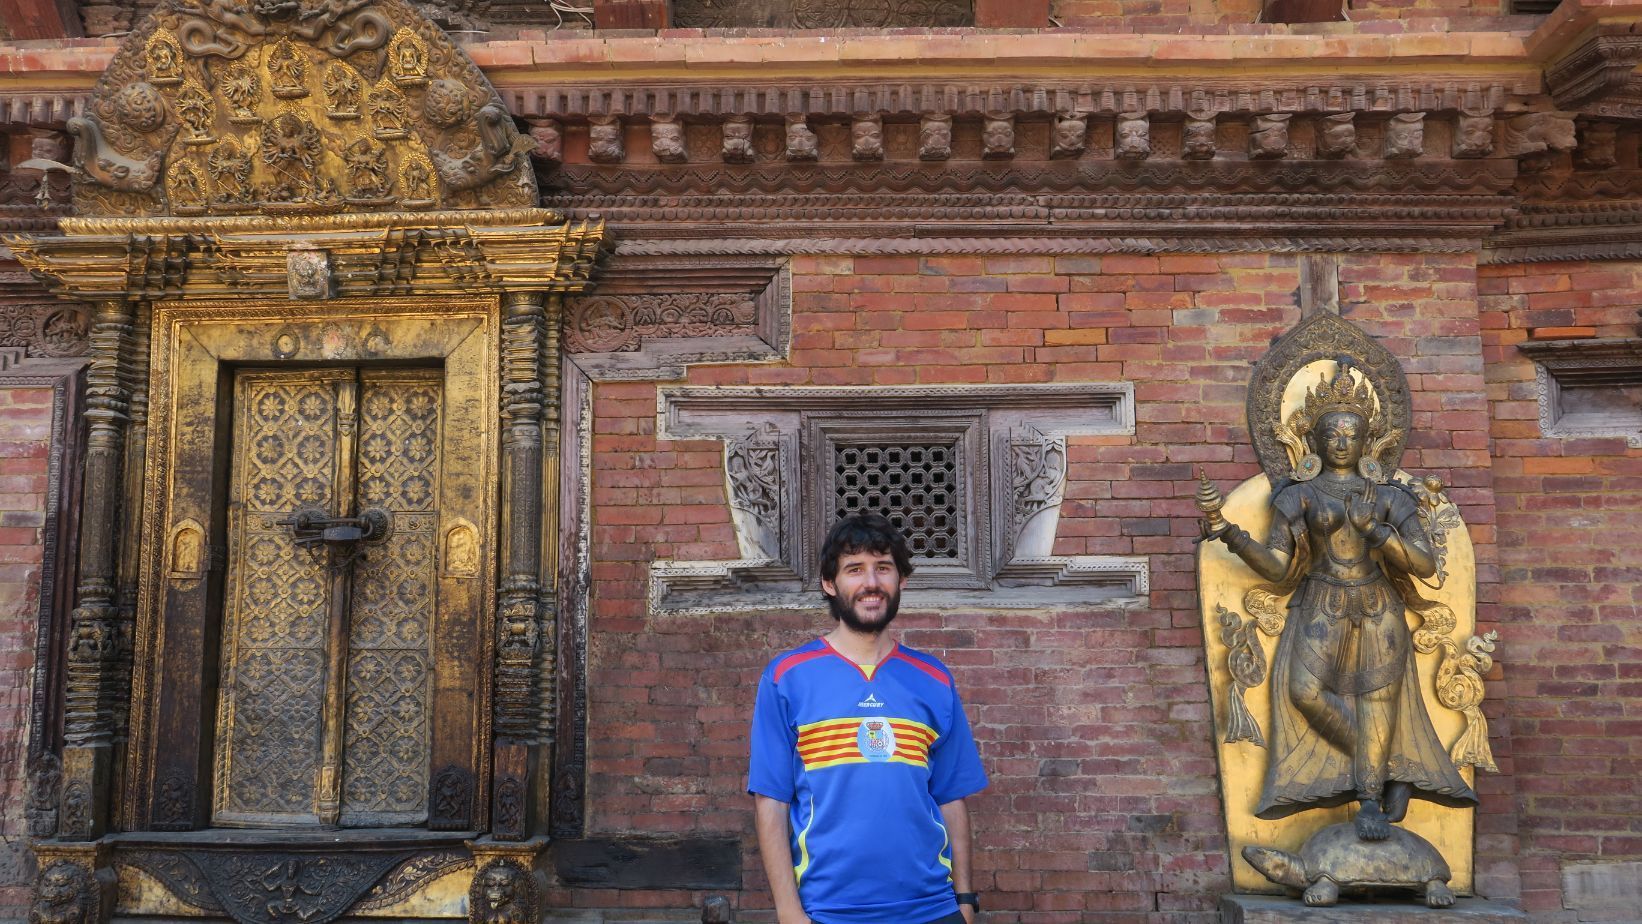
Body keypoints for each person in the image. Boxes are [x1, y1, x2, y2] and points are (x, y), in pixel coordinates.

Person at [1205, 364, 1475, 841]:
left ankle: (1369, 801)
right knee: (1303, 692)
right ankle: (1389, 769)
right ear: (1315, 440)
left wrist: (1378, 532)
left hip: (1377, 604)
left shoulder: (1390, 497)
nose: (1342, 443)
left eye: (1352, 434)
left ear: (1367, 440)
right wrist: (1230, 535)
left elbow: (1424, 564)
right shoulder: (1298, 496)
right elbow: (1277, 566)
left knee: (1378, 700)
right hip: (1319, 599)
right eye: (1332, 434)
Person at [749, 514, 988, 924]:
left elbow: (951, 796)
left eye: (883, 567)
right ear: (830, 583)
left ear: (901, 580)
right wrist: (788, 911)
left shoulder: (933, 679)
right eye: (855, 569)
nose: (871, 583)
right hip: (829, 911)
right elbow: (771, 800)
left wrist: (964, 901)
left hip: (931, 908)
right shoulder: (787, 677)